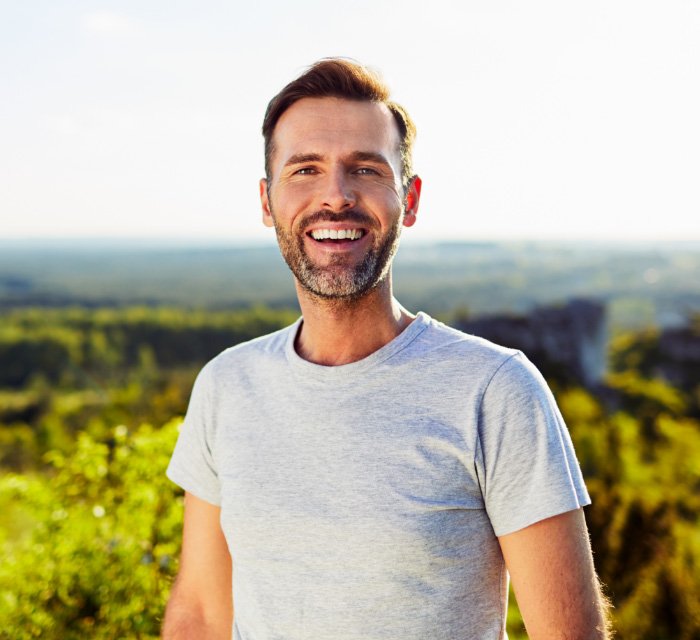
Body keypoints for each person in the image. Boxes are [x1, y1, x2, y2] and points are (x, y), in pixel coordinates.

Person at [162, 58, 611, 639]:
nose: (336, 197)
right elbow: (199, 611)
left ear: (411, 199)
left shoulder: (495, 390)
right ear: (267, 201)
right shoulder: (226, 385)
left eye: (366, 170)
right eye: (305, 170)